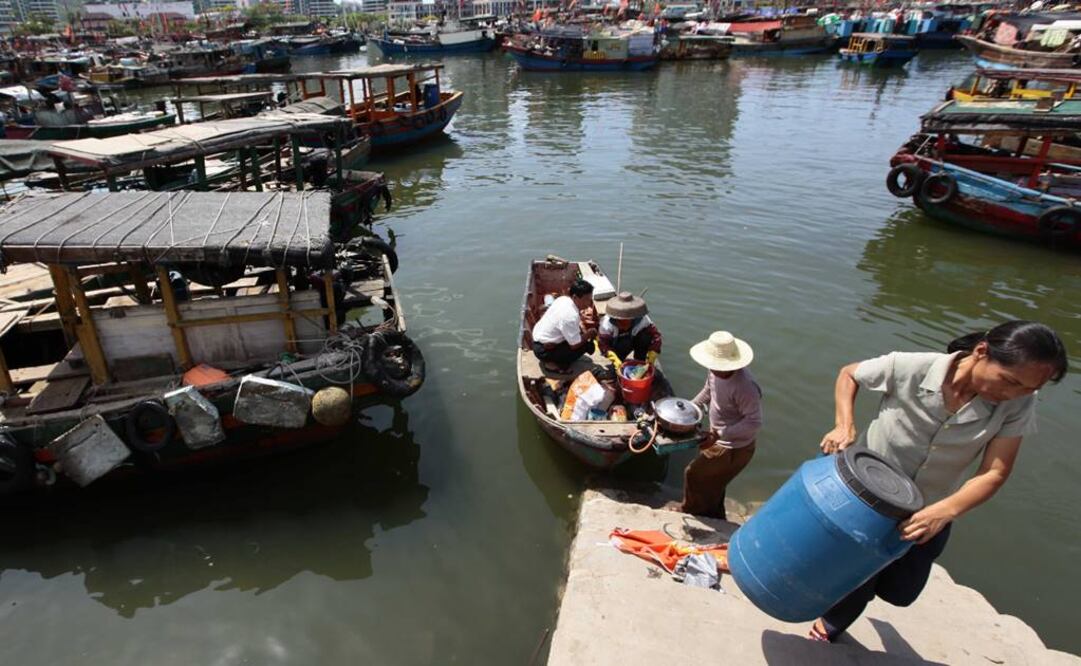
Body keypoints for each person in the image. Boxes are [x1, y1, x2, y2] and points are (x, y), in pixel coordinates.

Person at [810, 320, 1068, 643]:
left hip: (929, 508)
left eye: (1028, 389)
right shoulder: (914, 367)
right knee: (859, 575)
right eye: (1009, 381)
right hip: (870, 496)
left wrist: (944, 512)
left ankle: (861, 586)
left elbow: (993, 472)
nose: (1014, 394)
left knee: (901, 591)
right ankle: (832, 620)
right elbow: (850, 373)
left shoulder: (1018, 404)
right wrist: (843, 424)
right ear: (982, 351)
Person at [679, 331, 762, 520]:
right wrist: (689, 408)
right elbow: (709, 390)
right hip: (717, 436)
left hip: (733, 447)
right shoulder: (715, 370)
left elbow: (754, 422)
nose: (713, 368)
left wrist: (719, 434)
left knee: (694, 475)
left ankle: (688, 511)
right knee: (713, 484)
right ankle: (716, 516)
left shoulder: (745, 387)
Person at [531, 279, 598, 371]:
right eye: (586, 300)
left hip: (539, 340)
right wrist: (589, 334)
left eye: (590, 299)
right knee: (585, 346)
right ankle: (554, 364)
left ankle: (553, 357)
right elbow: (574, 344)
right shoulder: (570, 315)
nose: (588, 304)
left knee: (578, 336)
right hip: (543, 350)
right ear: (575, 297)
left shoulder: (563, 299)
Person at [597, 291, 662, 368]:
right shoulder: (606, 324)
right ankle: (619, 360)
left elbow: (656, 335)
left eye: (628, 321)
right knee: (624, 343)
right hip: (617, 345)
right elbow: (603, 344)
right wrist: (613, 357)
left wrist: (654, 351)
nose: (625, 325)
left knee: (645, 336)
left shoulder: (642, 319)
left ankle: (640, 360)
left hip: (634, 339)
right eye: (621, 322)